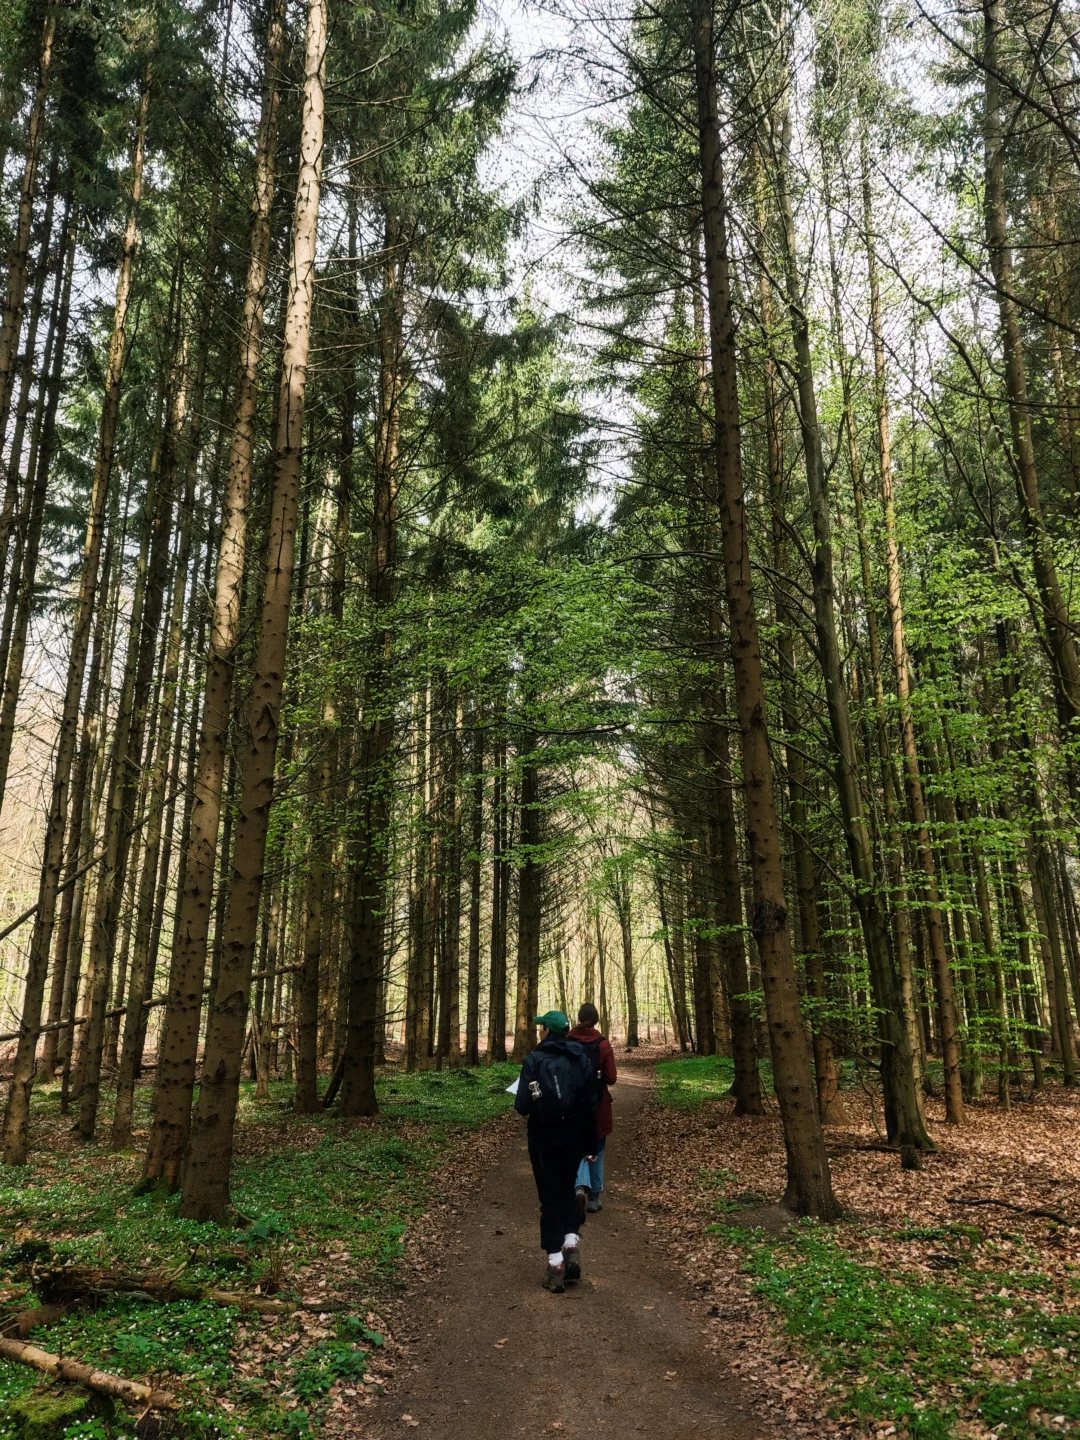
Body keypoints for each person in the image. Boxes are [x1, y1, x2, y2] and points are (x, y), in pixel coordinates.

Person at [514, 1009, 597, 1293]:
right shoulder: (580, 1059)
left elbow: (522, 1106)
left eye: (542, 1029)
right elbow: (590, 1104)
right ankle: (571, 1247)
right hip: (574, 1138)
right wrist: (590, 1142)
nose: (540, 1032)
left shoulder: (534, 1060)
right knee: (566, 1189)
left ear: (547, 1032)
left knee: (550, 1196)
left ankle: (555, 1265)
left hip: (543, 1139)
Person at [569, 1003, 617, 1214]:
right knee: (597, 1147)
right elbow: (612, 1078)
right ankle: (594, 1196)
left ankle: (577, 1186)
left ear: (578, 1018)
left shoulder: (567, 1041)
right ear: (596, 1020)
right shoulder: (603, 1044)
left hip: (571, 1103)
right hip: (597, 1103)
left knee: (575, 1146)